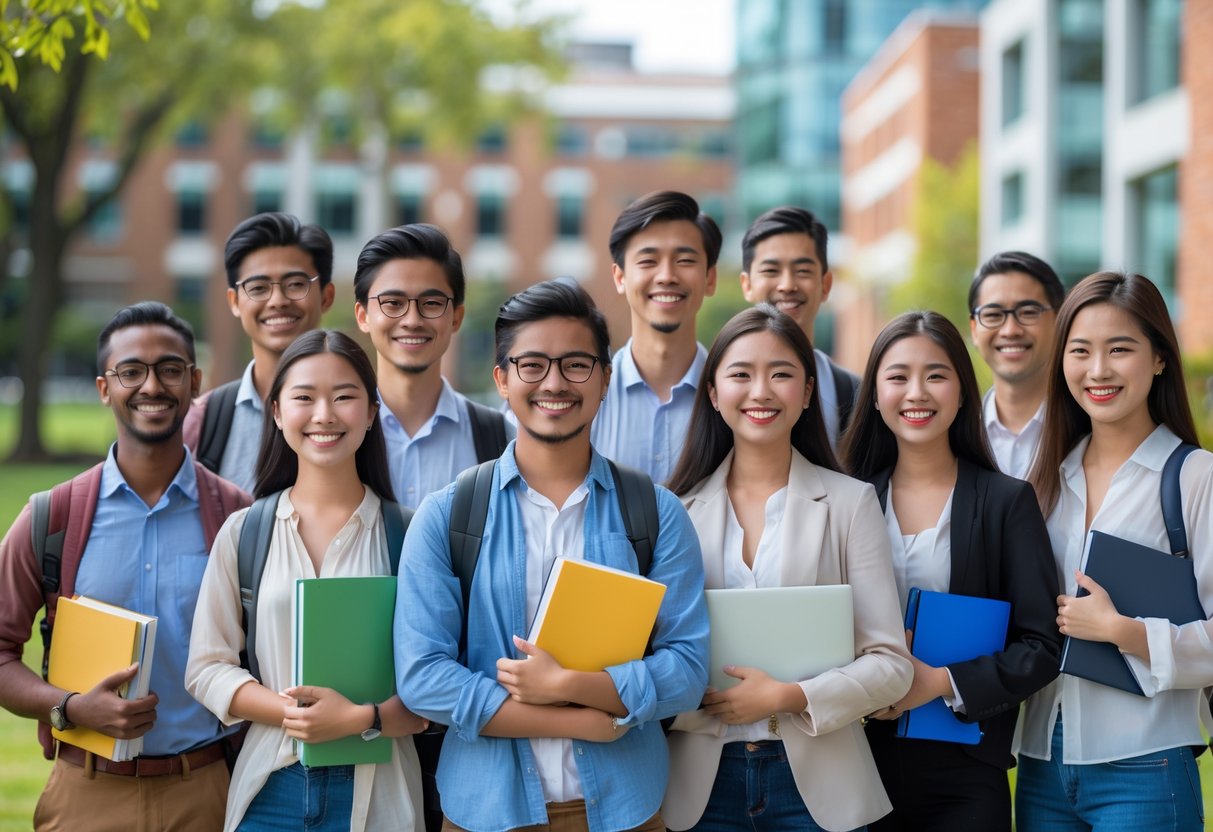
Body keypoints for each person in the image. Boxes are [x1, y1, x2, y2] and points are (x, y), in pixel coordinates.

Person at [395, 279, 710, 832]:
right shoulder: (448, 515)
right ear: (502, 379)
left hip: (626, 810)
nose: (555, 383)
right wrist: (589, 721)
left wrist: (572, 688)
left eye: (576, 365)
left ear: (606, 377)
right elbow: (422, 676)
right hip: (485, 811)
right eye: (532, 365)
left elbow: (686, 670)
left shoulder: (656, 513)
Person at [0, 302, 250, 831]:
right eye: (131, 371)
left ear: (194, 382)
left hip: (208, 791)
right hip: (87, 793)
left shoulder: (239, 517)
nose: (152, 386)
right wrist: (68, 707)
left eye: (170, 369)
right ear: (103, 388)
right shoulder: (51, 517)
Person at [663, 304, 913, 832]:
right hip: (700, 786)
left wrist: (790, 696)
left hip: (820, 787)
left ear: (806, 393)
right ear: (712, 393)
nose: (761, 391)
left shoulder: (851, 503)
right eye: (740, 374)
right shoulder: (673, 510)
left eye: (781, 374)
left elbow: (891, 664)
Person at [186, 330, 426, 831]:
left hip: (376, 794)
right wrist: (290, 713)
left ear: (372, 410)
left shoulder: (411, 534)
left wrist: (360, 719)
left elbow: (434, 686)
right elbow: (207, 667)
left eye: (344, 397)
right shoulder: (245, 532)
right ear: (276, 412)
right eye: (304, 398)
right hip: (269, 790)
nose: (324, 415)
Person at [839, 311, 1061, 832]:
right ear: (874, 394)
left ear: (963, 391)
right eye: (897, 377)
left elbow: (1043, 646)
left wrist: (940, 682)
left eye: (936, 375)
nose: (917, 392)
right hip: (852, 762)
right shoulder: (844, 500)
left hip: (963, 776)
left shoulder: (1007, 502)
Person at [1016, 272, 1211, 832]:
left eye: (1119, 349)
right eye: (1080, 351)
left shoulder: (1195, 479)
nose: (1097, 370)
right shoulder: (1045, 480)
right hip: (1041, 763)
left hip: (1146, 763)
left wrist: (1122, 630)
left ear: (1158, 359)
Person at [353, 224, 511, 509]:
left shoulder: (499, 436)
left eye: (431, 303)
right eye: (392, 303)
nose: (412, 319)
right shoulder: (336, 429)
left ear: (456, 317)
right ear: (363, 315)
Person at [184, 212, 336, 493]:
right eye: (258, 288)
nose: (277, 301)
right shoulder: (200, 423)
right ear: (234, 301)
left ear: (326, 296)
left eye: (295, 285)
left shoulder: (359, 413)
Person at [591, 190, 722, 483]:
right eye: (648, 261)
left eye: (685, 261)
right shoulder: (584, 395)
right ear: (620, 277)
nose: (666, 276)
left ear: (710, 278)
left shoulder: (735, 398)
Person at [739, 206, 859, 448]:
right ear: (747, 284)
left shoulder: (856, 395)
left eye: (802, 271)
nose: (787, 285)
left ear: (825, 285)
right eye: (771, 270)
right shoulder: (718, 386)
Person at [968, 251, 1065, 478]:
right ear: (974, 329)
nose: (1010, 330)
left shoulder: (1091, 431)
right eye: (993, 314)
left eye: (1028, 312)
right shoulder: (953, 437)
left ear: (1060, 321)